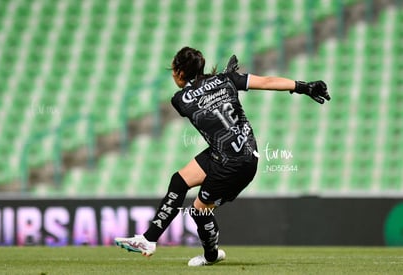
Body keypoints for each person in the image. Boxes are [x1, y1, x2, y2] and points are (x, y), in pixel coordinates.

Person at [115, 46, 330, 266]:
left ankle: (211, 256)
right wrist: (304, 87)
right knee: (179, 181)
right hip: (238, 151)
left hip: (234, 164)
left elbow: (199, 94)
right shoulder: (227, 80)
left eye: (173, 70)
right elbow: (265, 82)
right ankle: (148, 239)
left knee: (198, 211)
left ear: (179, 73)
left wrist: (219, 79)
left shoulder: (180, 100)